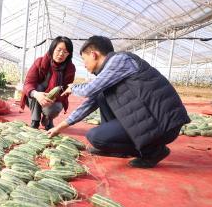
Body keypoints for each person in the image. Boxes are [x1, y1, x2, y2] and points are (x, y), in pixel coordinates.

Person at [46, 36, 190, 168]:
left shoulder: (120, 60)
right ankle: (120, 149)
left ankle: (153, 151)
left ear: (93, 54)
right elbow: (90, 103)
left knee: (95, 137)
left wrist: (74, 87)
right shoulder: (109, 73)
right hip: (151, 120)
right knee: (102, 98)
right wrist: (59, 127)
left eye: (84, 60)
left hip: (163, 124)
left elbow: (89, 90)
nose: (84, 65)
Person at [20, 36, 76, 130]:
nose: (61, 54)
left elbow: (66, 90)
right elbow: (28, 83)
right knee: (36, 88)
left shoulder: (70, 68)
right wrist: (37, 94)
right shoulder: (40, 62)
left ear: (69, 54)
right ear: (53, 49)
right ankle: (35, 120)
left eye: (65, 52)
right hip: (36, 97)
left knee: (53, 109)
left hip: (55, 99)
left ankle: (48, 118)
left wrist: (54, 98)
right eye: (59, 50)